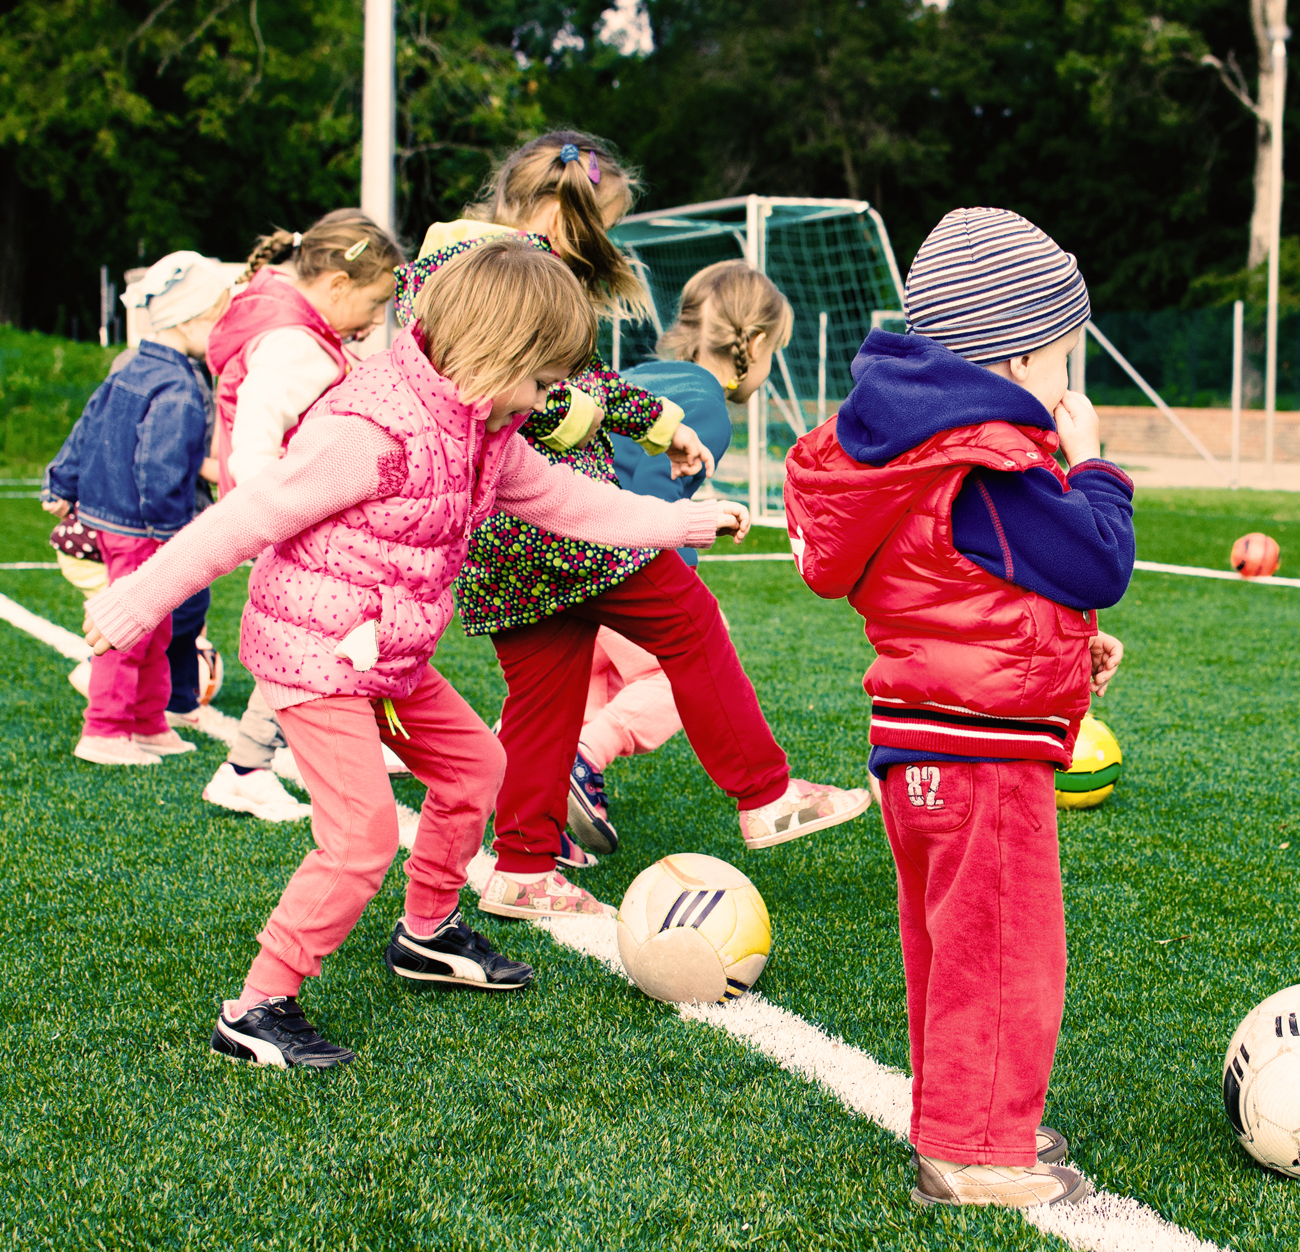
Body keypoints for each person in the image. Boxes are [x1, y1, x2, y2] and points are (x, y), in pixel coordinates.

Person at [81, 238, 751, 1069]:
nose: (549, 401)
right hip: (316, 657)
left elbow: (567, 502)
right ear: (495, 354)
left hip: (388, 656)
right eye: (543, 382)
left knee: (478, 768)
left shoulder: (484, 429)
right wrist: (138, 599)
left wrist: (682, 522)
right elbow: (246, 518)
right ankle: (256, 1008)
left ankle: (427, 934)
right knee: (360, 838)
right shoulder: (371, 431)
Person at [401, 131, 869, 923]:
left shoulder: (455, 261)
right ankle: (765, 794)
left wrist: (661, 426)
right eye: (600, 227)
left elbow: (576, 379)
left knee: (546, 699)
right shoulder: (502, 272)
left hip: (499, 537)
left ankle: (520, 867)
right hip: (558, 522)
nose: (602, 247)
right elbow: (524, 391)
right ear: (558, 212)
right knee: (689, 621)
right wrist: (601, 425)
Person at [785, 208, 1137, 1209]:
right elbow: (1097, 559)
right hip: (980, 758)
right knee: (1001, 952)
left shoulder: (913, 449)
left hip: (922, 741)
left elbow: (960, 585)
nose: (1068, 381)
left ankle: (964, 1113)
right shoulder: (984, 459)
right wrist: (1094, 464)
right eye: (1063, 356)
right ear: (1018, 353)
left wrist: (1067, 646)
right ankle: (974, 1152)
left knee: (949, 949)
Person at [562, 259, 789, 858]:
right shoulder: (705, 406)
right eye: (776, 351)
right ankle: (585, 756)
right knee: (676, 667)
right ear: (755, 344)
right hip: (611, 559)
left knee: (583, 680)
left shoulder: (642, 376)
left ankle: (536, 801)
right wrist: (678, 578)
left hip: (558, 555)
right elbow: (650, 501)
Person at [199, 209, 406, 824]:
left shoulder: (298, 330)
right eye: (374, 304)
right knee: (314, 640)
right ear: (338, 287)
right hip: (295, 521)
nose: (375, 323)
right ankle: (246, 767)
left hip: (298, 516)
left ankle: (285, 754)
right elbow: (257, 443)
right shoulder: (294, 345)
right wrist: (280, 515)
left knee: (329, 635)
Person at [43, 251, 241, 766]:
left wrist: (60, 479)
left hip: (115, 520)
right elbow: (160, 465)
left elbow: (86, 424)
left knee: (157, 627)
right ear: (193, 320)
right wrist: (173, 535)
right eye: (218, 318)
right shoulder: (178, 384)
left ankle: (149, 722)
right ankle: (105, 729)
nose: (221, 330)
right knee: (133, 630)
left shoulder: (130, 363)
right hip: (146, 528)